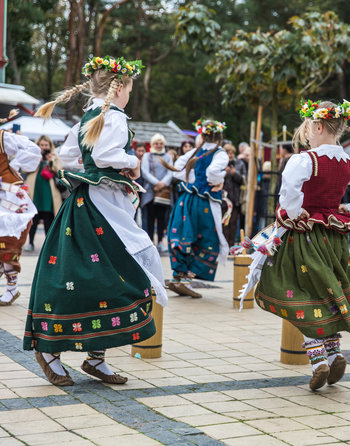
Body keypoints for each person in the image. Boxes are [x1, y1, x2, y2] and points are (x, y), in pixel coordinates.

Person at [24, 55, 167, 386]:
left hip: (90, 203)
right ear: (119, 89)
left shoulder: (86, 119)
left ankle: (96, 357)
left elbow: (71, 155)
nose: (129, 95)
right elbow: (103, 156)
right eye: (129, 88)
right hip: (99, 207)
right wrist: (132, 159)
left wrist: (87, 172)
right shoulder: (112, 118)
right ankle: (49, 350)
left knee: (104, 278)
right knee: (108, 274)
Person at [244, 99, 350, 390]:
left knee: (301, 294)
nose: (307, 133)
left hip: (304, 237)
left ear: (319, 126)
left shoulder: (305, 160)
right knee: (329, 293)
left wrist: (296, 213)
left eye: (308, 127)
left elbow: (289, 197)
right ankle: (334, 353)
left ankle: (319, 361)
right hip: (334, 239)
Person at [166, 119, 229, 298]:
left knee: (184, 235)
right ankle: (186, 280)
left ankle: (179, 276)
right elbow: (213, 174)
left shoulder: (196, 151)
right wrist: (219, 179)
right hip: (204, 203)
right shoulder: (219, 153)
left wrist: (192, 179)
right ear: (219, 136)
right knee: (208, 239)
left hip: (186, 200)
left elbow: (176, 170)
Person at [0, 114, 41, 306]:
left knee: (7, 241)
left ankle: (12, 289)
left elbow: (32, 148)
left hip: (6, 196)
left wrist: (14, 166)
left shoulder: (3, 137)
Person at [25, 135, 63, 251]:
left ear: (50, 146)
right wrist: (37, 160)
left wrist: (50, 161)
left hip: (49, 193)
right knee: (33, 219)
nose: (44, 147)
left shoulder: (54, 156)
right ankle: (30, 243)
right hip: (35, 191)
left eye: (46, 145)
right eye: (41, 145)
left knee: (48, 219)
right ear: (38, 145)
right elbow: (25, 169)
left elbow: (60, 172)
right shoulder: (33, 156)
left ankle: (48, 245)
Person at [141, 133, 173, 252]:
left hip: (163, 192)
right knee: (149, 217)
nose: (159, 145)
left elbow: (170, 172)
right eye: (156, 143)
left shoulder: (168, 157)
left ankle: (160, 241)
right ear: (152, 144)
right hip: (150, 191)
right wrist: (156, 183)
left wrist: (162, 184)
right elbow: (144, 171)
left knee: (162, 218)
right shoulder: (147, 156)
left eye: (161, 143)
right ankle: (149, 242)